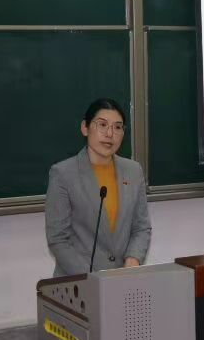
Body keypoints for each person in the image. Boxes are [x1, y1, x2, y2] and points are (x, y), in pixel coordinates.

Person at [45, 98, 151, 277]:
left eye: (117, 127)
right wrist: (94, 278)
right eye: (102, 125)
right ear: (85, 128)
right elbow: (58, 239)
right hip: (80, 282)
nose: (110, 133)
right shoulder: (63, 174)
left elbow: (141, 227)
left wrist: (133, 260)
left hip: (123, 280)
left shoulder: (133, 171)